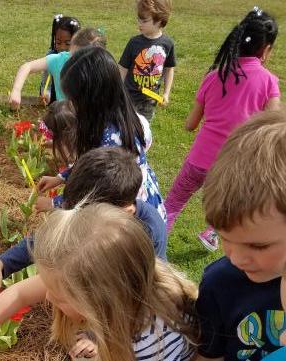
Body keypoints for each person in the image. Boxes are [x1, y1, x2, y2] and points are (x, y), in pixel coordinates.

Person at [0, 204, 197, 361]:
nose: (47, 297)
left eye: (60, 298)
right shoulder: (116, 283)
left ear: (98, 302)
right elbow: (18, 294)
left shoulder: (151, 345)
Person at [0, 146, 168, 297]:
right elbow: (48, 238)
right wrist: (1, 264)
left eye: (82, 216)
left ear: (125, 213)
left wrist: (94, 336)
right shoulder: (94, 213)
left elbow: (138, 295)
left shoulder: (150, 235)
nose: (76, 219)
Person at [164, 7, 280, 250]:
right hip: (234, 166)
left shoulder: (214, 76)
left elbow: (189, 124)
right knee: (229, 207)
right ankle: (212, 233)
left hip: (199, 160)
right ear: (266, 49)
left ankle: (156, 241)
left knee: (172, 204)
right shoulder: (268, 82)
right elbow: (271, 128)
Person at [194, 110, 286, 361]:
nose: (235, 258)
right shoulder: (220, 283)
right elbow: (208, 355)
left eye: (258, 246)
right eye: (224, 238)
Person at [36, 46, 167, 222]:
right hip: (141, 201)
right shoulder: (128, 118)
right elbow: (91, 164)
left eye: (74, 100)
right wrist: (60, 177)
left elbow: (95, 193)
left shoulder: (111, 142)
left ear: (92, 100)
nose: (72, 106)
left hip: (130, 220)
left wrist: (54, 204)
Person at [9, 27, 106, 109]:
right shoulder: (60, 60)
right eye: (72, 56)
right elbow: (27, 66)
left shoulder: (103, 72)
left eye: (82, 60)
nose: (75, 62)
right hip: (63, 119)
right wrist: (16, 90)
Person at [118, 0, 175, 122]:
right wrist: (118, 90)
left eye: (144, 21)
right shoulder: (134, 43)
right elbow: (122, 68)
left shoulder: (167, 44)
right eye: (139, 19)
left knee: (144, 131)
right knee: (126, 127)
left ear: (159, 21)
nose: (140, 24)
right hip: (129, 97)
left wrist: (166, 93)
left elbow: (169, 69)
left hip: (149, 100)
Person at [39, 14, 81, 105]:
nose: (62, 47)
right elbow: (46, 80)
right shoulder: (52, 55)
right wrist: (46, 92)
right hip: (55, 98)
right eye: (58, 42)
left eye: (68, 43)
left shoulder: (80, 58)